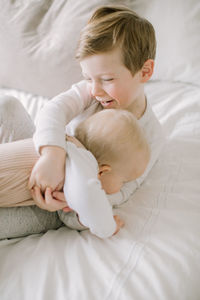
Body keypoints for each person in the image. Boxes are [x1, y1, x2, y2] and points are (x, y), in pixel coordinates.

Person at [28, 5, 164, 211]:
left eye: (107, 79)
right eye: (87, 78)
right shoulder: (91, 93)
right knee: (6, 106)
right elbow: (53, 110)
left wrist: (75, 200)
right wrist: (52, 154)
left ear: (145, 71)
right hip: (41, 159)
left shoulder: (151, 136)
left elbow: (125, 191)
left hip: (59, 200)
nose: (95, 90)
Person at [0, 108, 149, 239]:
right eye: (123, 181)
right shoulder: (84, 164)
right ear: (103, 171)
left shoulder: (58, 141)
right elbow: (89, 201)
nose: (121, 187)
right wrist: (109, 228)